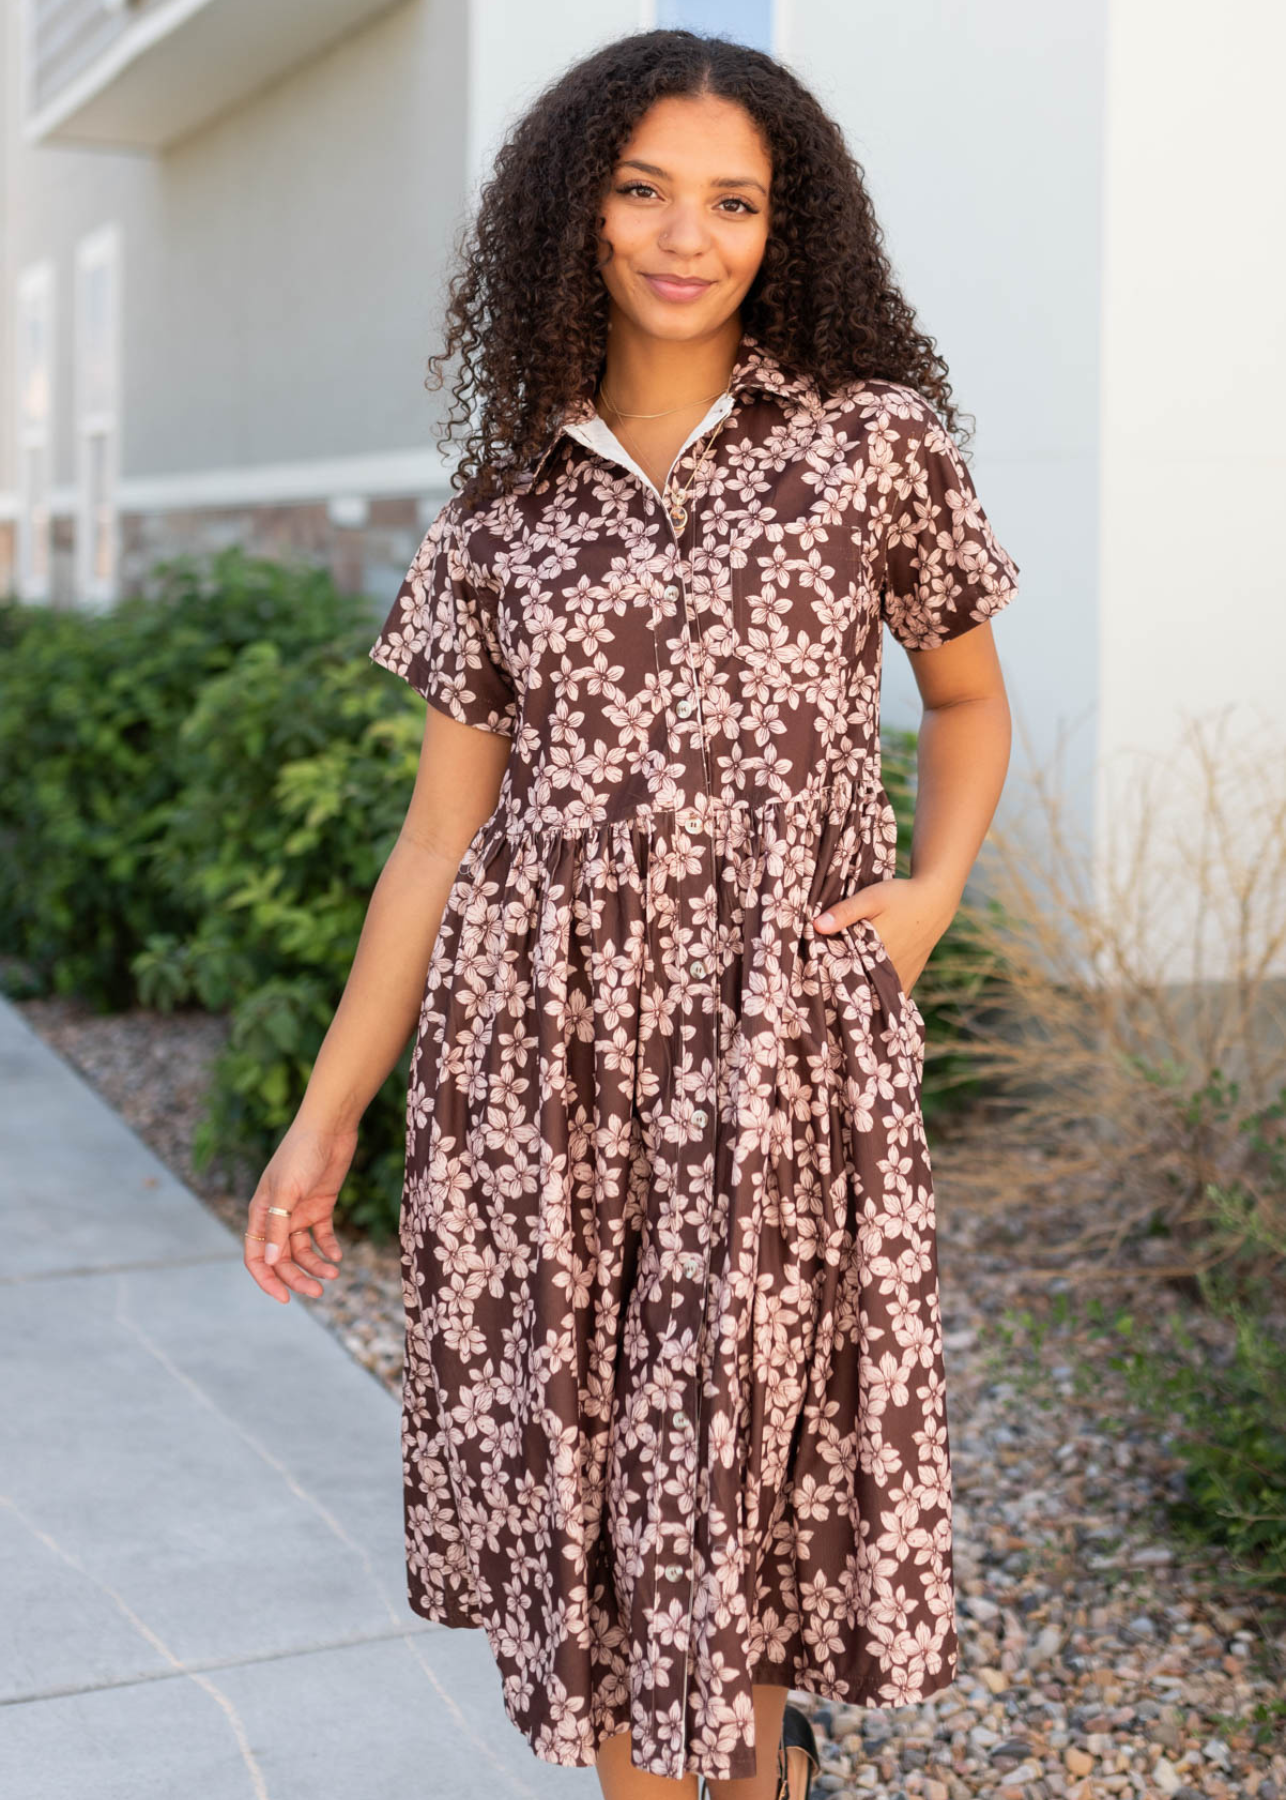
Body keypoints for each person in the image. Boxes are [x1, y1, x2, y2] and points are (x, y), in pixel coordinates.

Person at [243, 27, 1021, 1800]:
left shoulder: (868, 445)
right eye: (642, 189)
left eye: (733, 200)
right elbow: (438, 840)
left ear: (785, 225)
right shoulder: (502, 507)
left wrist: (929, 898)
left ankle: (768, 1764)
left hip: (774, 1056)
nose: (688, 235)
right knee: (598, 1551)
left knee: (727, 1521)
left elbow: (967, 703)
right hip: (543, 1082)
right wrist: (326, 1115)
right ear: (571, 213)